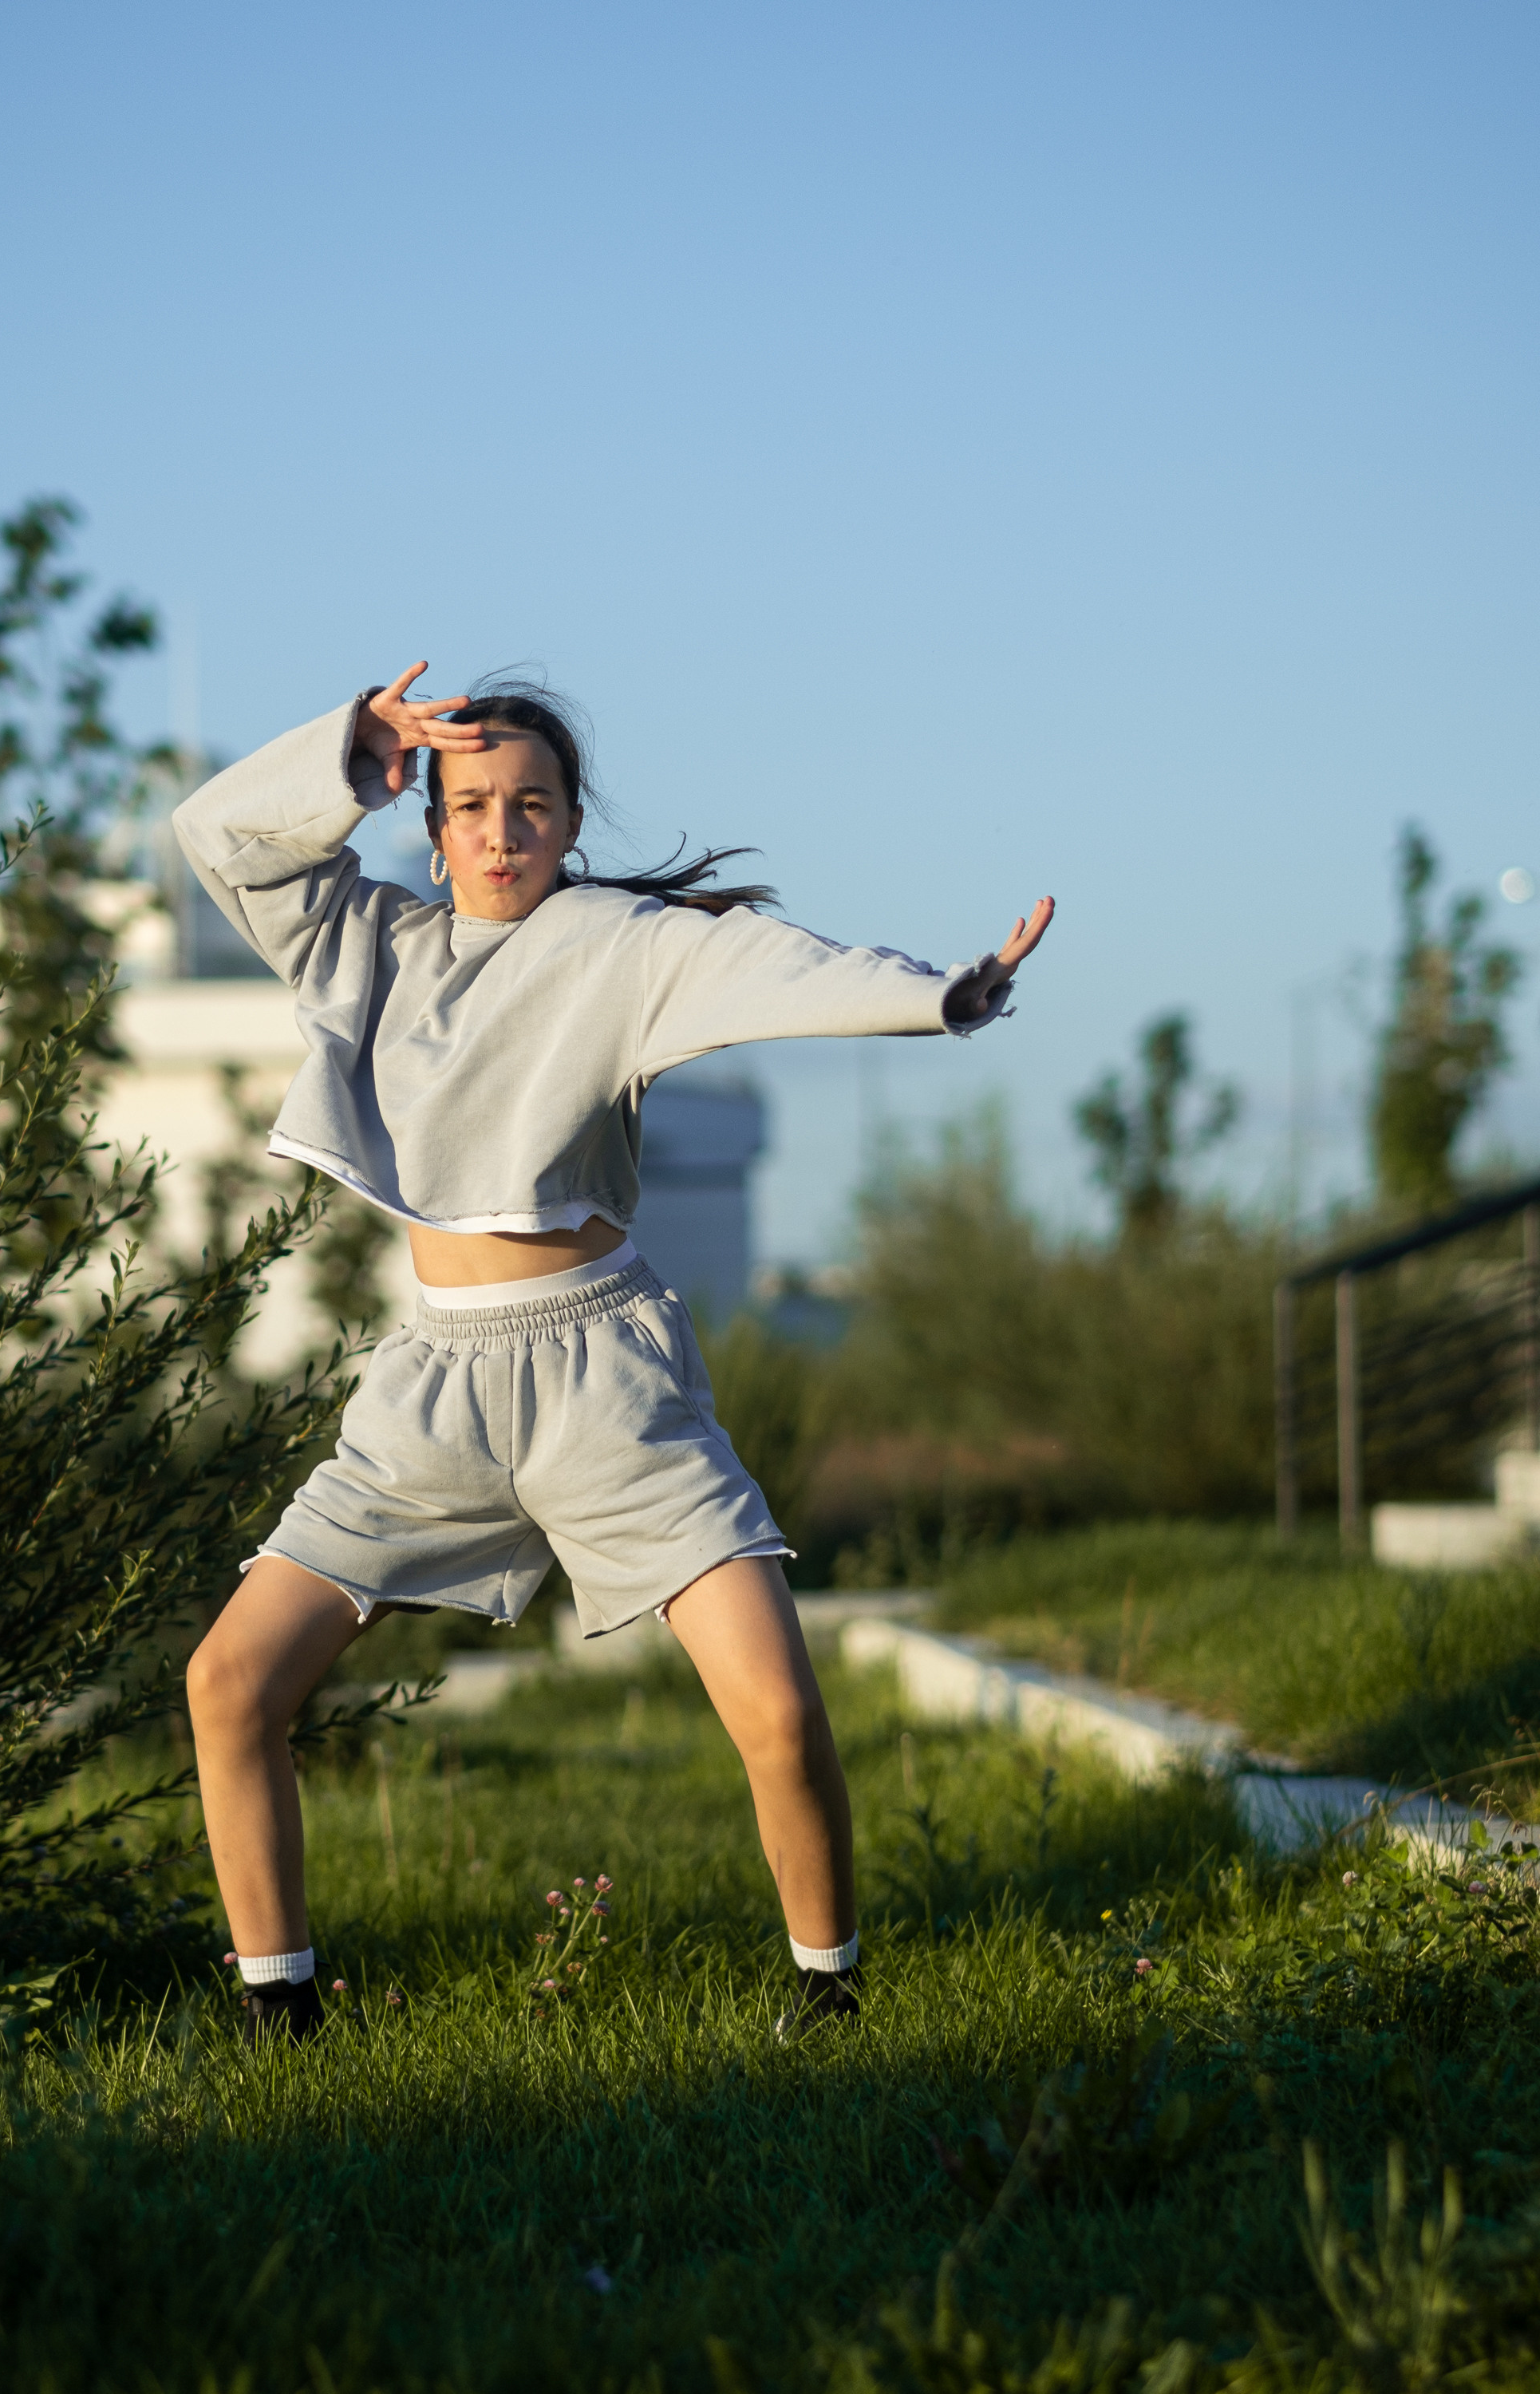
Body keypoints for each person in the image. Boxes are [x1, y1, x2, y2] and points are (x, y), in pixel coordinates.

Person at [174, 665, 1054, 2044]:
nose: (502, 831)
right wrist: (351, 741)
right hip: (433, 1393)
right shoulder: (374, 947)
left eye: (531, 806)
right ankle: (276, 2016)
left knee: (776, 1709)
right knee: (227, 1684)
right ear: (434, 821)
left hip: (605, 1378)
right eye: (474, 807)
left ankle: (830, 1997)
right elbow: (222, 840)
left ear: (572, 823)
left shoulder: (620, 945)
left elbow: (779, 969)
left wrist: (947, 992)